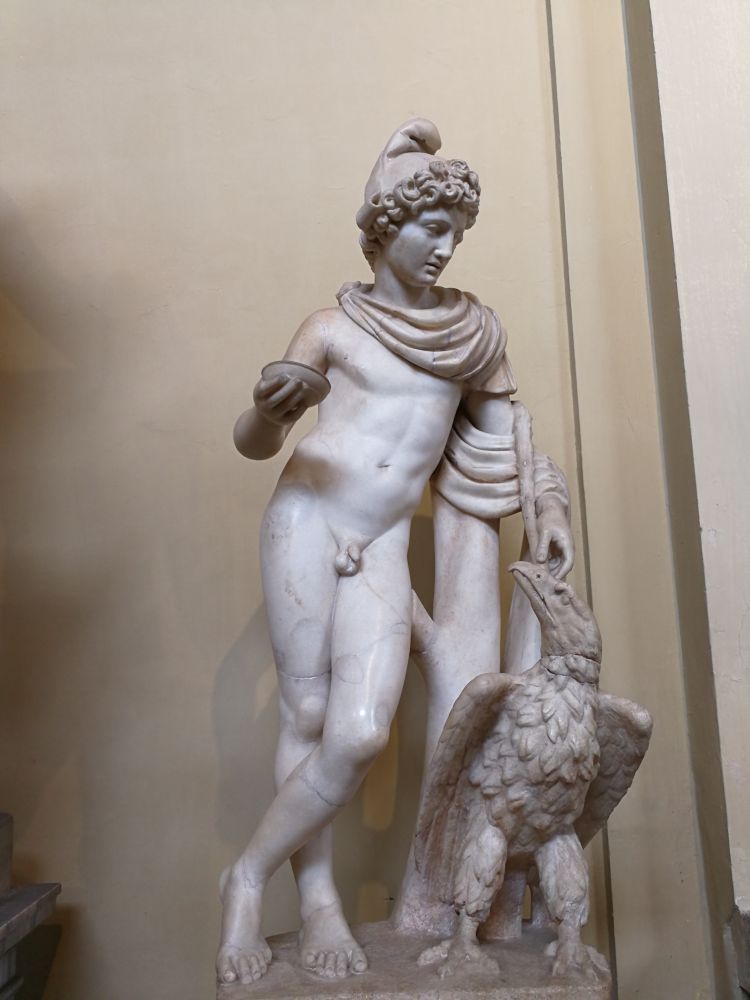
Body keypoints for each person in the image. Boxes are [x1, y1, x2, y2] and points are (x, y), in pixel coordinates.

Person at [217, 119, 574, 986]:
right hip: (308, 516)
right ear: (386, 225)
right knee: (307, 713)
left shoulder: (472, 334)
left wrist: (550, 504)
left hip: (377, 538)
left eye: (457, 234)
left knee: (360, 731)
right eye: (431, 229)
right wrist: (268, 408)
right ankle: (312, 901)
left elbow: (509, 439)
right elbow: (254, 443)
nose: (446, 248)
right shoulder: (330, 327)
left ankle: (246, 869)